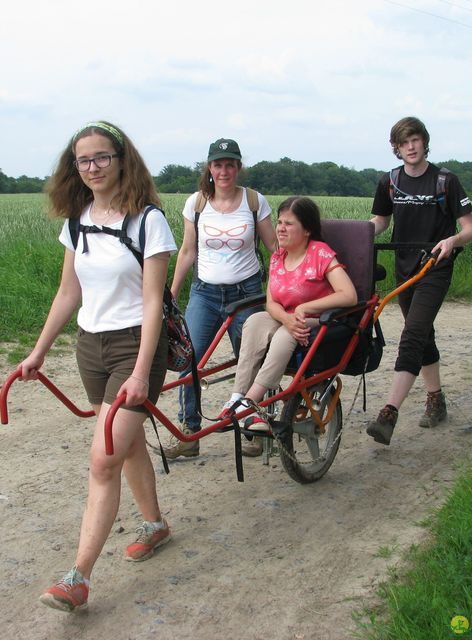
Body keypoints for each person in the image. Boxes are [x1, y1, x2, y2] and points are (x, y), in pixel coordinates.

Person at [18, 121, 177, 612]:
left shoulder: (149, 221)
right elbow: (69, 292)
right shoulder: (78, 220)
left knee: (102, 458)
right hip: (91, 346)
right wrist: (39, 350)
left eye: (102, 157)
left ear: (122, 159)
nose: (92, 167)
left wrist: (140, 370)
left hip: (135, 347)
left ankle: (77, 577)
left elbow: (154, 302)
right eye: (83, 160)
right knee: (124, 447)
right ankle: (154, 526)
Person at [366, 116, 472, 446]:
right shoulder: (390, 181)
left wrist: (451, 242)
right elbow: (381, 221)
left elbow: (470, 228)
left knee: (412, 332)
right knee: (422, 332)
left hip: (435, 267)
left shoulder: (446, 180)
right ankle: (436, 398)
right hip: (404, 268)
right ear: (397, 148)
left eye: (415, 140)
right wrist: (358, 235)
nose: (411, 146)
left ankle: (389, 412)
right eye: (404, 142)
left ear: (424, 142)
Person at [164, 138, 277, 459]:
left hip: (248, 293)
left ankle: (256, 425)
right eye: (218, 164)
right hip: (205, 293)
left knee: (251, 359)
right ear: (209, 168)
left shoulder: (255, 201)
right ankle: (190, 432)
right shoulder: (196, 203)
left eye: (230, 164)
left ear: (238, 167)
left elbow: (274, 250)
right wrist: (171, 296)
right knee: (190, 360)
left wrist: (284, 290)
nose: (224, 170)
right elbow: (188, 251)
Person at [219, 196, 358, 428]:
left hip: (317, 319)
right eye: (280, 222)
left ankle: (252, 401)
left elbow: (348, 295)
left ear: (307, 230)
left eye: (289, 223)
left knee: (287, 334)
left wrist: (305, 308)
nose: (281, 229)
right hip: (286, 317)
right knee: (254, 321)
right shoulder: (278, 256)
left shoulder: (320, 253)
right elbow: (271, 302)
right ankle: (237, 396)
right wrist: (287, 318)